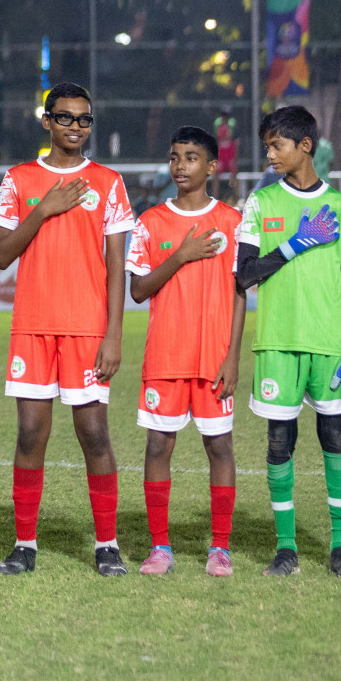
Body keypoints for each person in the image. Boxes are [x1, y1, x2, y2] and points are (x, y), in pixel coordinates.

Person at [0, 82, 134, 577]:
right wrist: (44, 208)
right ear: (46, 121)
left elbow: (118, 267)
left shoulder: (109, 183)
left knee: (94, 433)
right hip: (33, 325)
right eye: (66, 118)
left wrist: (113, 334)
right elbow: (2, 255)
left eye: (84, 119)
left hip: (88, 329)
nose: (75, 127)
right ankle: (24, 544)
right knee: (31, 433)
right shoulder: (19, 179)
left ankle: (107, 545)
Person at [234, 105, 341, 577]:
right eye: (267, 145)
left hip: (329, 343)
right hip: (277, 342)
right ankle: (286, 548)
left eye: (277, 145)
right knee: (279, 443)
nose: (269, 154)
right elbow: (244, 275)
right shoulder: (262, 203)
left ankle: (340, 549)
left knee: (334, 437)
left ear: (305, 146)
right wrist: (295, 243)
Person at [126, 126, 244, 576]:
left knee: (220, 446)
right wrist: (180, 254)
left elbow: (239, 293)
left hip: (214, 357)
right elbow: (138, 290)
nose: (181, 166)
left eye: (191, 158)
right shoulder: (151, 222)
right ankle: (160, 547)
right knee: (158, 445)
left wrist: (232, 356)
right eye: (175, 157)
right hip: (166, 356)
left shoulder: (232, 222)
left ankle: (221, 547)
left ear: (211, 167)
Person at [214, 107, 237, 199]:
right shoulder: (217, 124)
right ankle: (215, 196)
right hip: (221, 153)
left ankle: (237, 197)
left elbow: (234, 140)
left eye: (227, 116)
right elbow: (217, 138)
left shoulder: (232, 124)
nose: (225, 118)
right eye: (224, 116)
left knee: (234, 173)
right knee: (216, 173)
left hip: (230, 152)